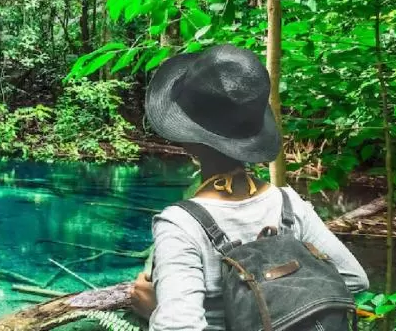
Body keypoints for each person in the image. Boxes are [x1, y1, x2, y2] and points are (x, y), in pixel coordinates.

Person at [128, 44, 370, 330]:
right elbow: (355, 280)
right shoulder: (288, 205)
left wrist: (154, 310)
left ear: (187, 140)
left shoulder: (181, 225)